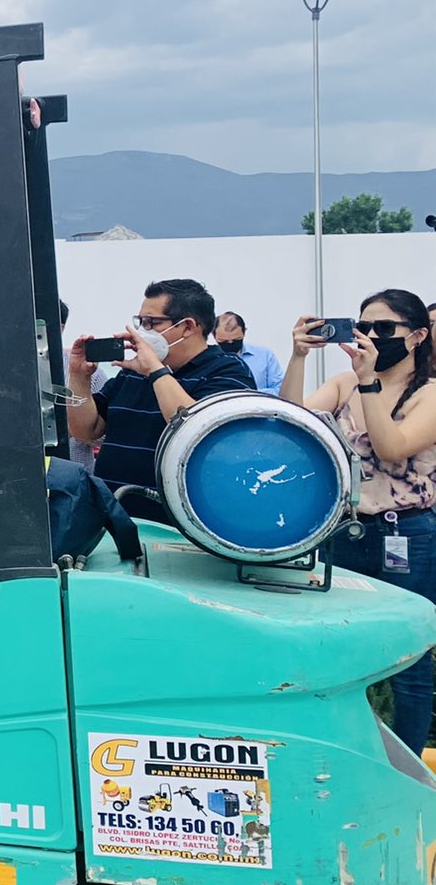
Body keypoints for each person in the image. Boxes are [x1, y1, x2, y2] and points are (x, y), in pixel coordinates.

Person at [282, 290, 436, 748]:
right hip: (347, 530)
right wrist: (298, 358)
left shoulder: (429, 394)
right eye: (362, 326)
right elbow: (291, 420)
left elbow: (392, 447)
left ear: (417, 337)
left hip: (405, 533)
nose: (370, 336)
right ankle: (346, 745)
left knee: (408, 657)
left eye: (384, 328)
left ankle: (407, 760)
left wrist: (369, 382)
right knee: (337, 644)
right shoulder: (344, 383)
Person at [67, 279, 254, 523]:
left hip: (178, 527)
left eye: (151, 323)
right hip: (112, 518)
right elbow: (85, 430)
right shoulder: (132, 373)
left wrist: (156, 371)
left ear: (187, 327)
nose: (143, 331)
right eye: (140, 322)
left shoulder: (229, 370)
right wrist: (79, 376)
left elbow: (196, 428)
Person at [215, 311, 284, 392]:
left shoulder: (265, 356)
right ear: (214, 335)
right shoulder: (208, 360)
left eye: (236, 340)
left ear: (244, 332)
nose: (230, 343)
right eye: (224, 341)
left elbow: (281, 389)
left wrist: (249, 394)